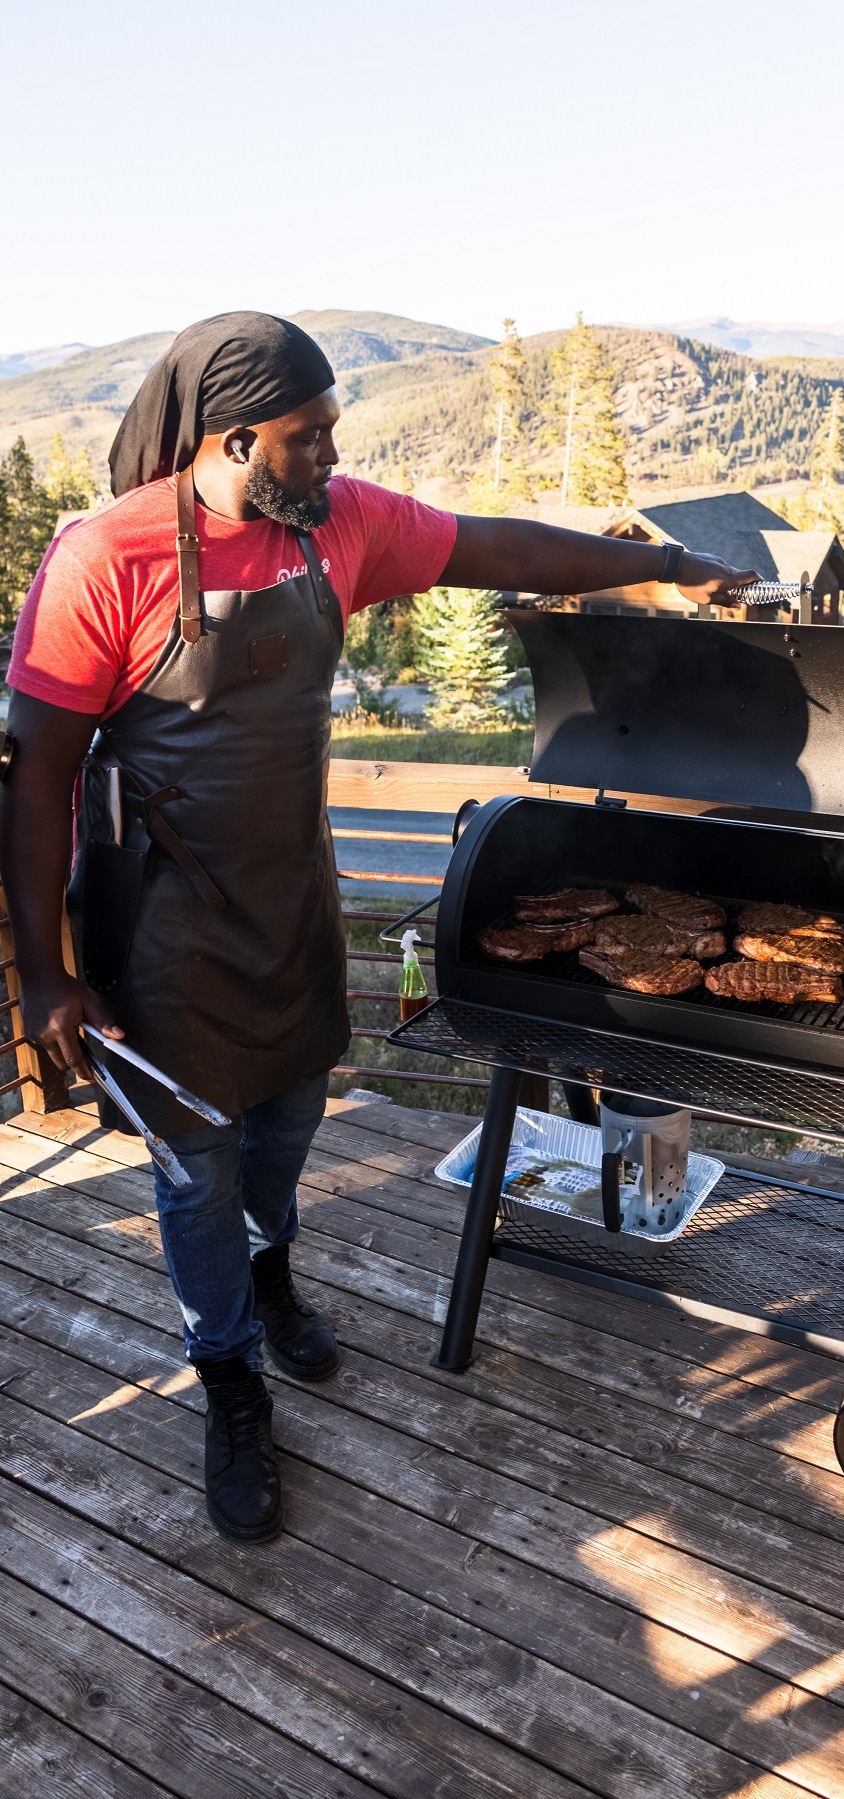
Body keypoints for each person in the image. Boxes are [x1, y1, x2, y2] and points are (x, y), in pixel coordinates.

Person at [0, 311, 755, 1544]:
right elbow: (34, 778)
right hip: (160, 922)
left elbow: (491, 544)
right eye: (309, 435)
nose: (333, 453)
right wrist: (46, 970)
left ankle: (270, 1268)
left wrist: (655, 561)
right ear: (233, 441)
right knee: (195, 1166)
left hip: (294, 897)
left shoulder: (335, 524)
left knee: (288, 1125)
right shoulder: (105, 559)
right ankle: (228, 1375)